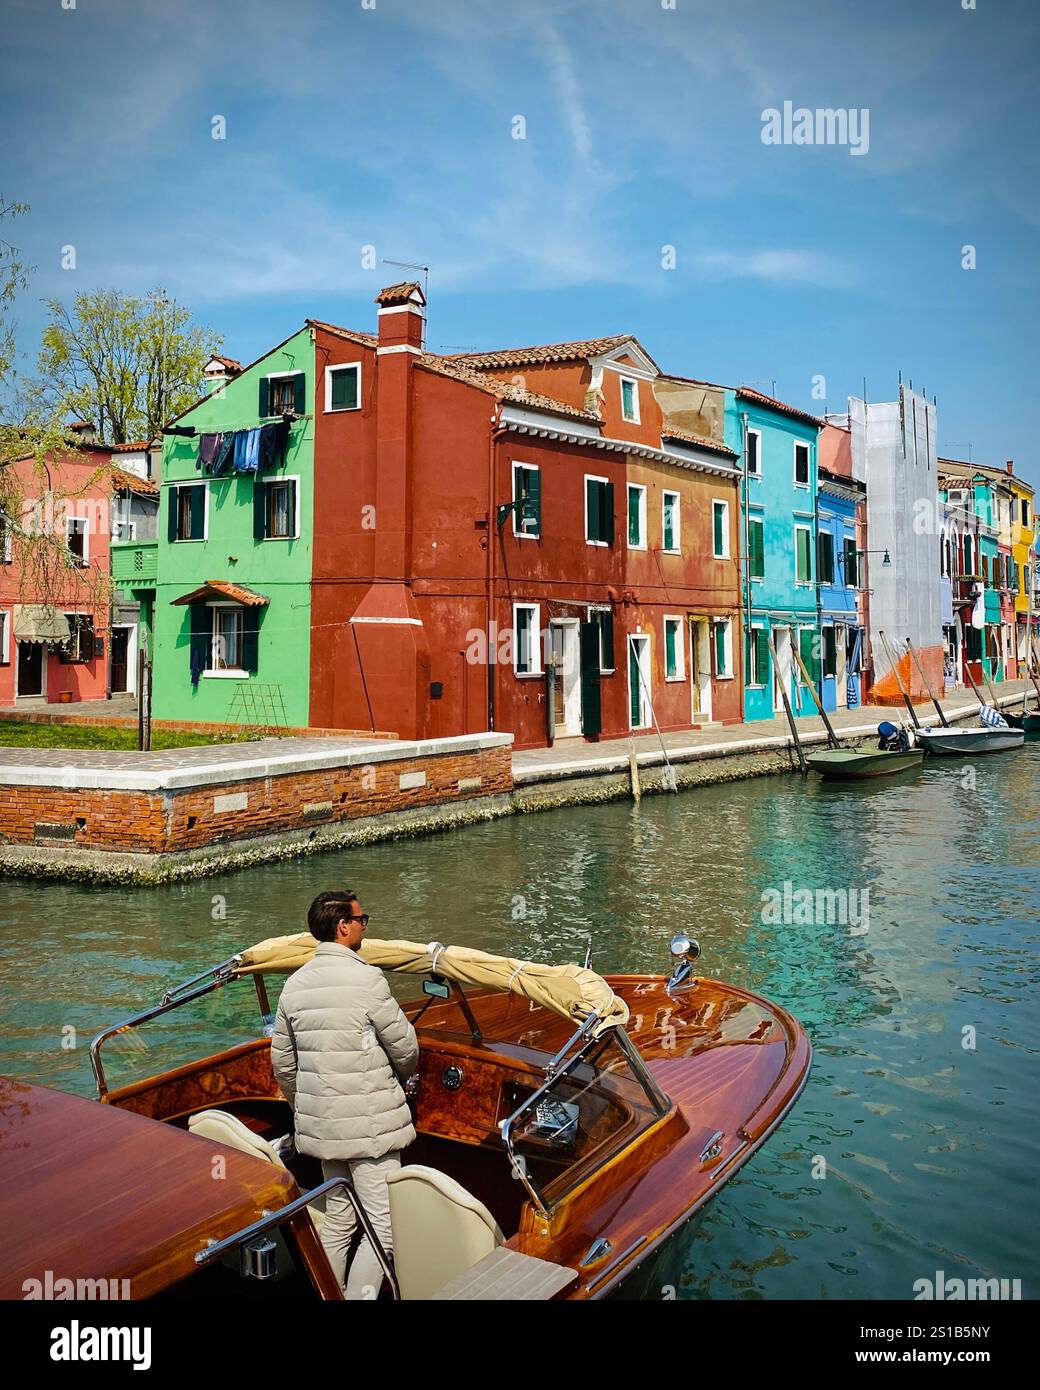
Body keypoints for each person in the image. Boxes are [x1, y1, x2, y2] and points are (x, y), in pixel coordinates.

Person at [270, 890, 418, 1299]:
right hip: (371, 1132)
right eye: (361, 919)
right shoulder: (367, 978)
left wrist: (307, 1107)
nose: (365, 926)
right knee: (385, 1231)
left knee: (337, 1223)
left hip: (325, 1132)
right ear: (343, 927)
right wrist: (405, 1076)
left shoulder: (294, 985)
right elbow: (405, 1048)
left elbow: (282, 1062)